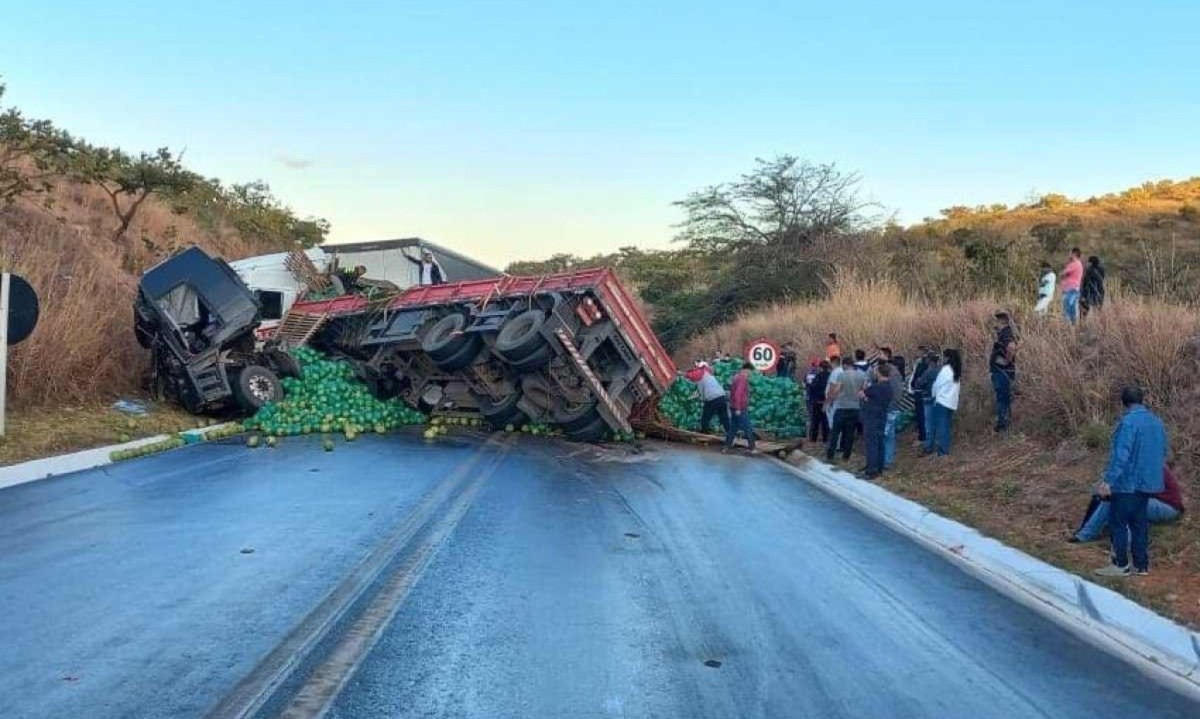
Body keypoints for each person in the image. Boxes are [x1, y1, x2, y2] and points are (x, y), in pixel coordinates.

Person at [1093, 386, 1168, 578]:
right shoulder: (1157, 422)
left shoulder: (1127, 423)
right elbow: (1163, 451)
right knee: (1139, 524)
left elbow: (1121, 456)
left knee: (1118, 522)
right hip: (1148, 482)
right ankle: (1141, 565)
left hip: (1128, 483)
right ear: (1142, 400)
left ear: (1124, 402)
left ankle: (1121, 564)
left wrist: (1108, 481)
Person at [1070, 465, 1184, 543]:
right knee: (1107, 499)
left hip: (1168, 506)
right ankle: (1084, 534)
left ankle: (1125, 545)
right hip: (1152, 502)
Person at [826, 356, 866, 462]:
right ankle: (846, 456)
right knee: (849, 433)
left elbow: (837, 389)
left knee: (835, 432)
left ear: (845, 365)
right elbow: (863, 390)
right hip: (855, 407)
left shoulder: (842, 375)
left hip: (841, 407)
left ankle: (830, 454)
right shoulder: (861, 375)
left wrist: (831, 400)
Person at [859, 362, 895, 479]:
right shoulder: (889, 388)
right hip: (882, 416)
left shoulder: (876, 387)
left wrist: (864, 396)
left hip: (872, 417)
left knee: (871, 444)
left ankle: (871, 470)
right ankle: (879, 467)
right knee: (880, 442)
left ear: (879, 373)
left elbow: (863, 393)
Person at [924, 348, 961, 456]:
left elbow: (937, 384)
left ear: (947, 358)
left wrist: (934, 394)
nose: (942, 359)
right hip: (951, 402)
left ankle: (943, 451)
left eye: (944, 356)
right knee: (946, 426)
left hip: (942, 402)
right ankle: (944, 448)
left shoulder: (946, 370)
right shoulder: (956, 370)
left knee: (942, 427)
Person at [684, 361, 730, 438]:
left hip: (712, 399)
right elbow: (700, 391)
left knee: (705, 417)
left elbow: (692, 378)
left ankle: (704, 434)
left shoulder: (699, 374)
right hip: (721, 396)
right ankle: (729, 433)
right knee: (724, 417)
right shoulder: (708, 375)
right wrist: (692, 397)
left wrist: (683, 375)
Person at [989, 311, 1018, 432]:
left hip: (1002, 372)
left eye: (997, 321)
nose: (995, 324)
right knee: (1003, 397)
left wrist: (1006, 361)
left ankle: (1003, 424)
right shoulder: (1003, 334)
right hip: (1001, 371)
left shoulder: (1007, 334)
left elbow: (1011, 347)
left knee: (1003, 398)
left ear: (1002, 321)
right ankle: (1004, 423)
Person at [725, 361, 756, 452]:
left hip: (733, 406)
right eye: (750, 372)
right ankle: (752, 448)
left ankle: (726, 446)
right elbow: (738, 394)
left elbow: (733, 393)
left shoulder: (736, 377)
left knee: (733, 428)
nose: (750, 374)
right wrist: (738, 408)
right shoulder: (742, 379)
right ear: (747, 370)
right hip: (740, 407)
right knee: (748, 427)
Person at [914, 350, 941, 448]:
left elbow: (919, 384)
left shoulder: (928, 372)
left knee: (928, 424)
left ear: (929, 360)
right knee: (937, 422)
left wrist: (917, 380)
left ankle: (928, 446)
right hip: (939, 398)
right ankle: (938, 443)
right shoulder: (940, 370)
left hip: (928, 398)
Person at [908, 346, 931, 443]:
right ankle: (923, 436)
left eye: (918, 351)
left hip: (920, 392)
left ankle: (923, 437)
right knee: (921, 415)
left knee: (921, 416)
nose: (916, 353)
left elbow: (918, 377)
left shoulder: (923, 364)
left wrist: (914, 385)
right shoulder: (919, 362)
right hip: (918, 391)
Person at [807, 360, 831, 443]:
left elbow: (812, 387)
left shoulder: (818, 376)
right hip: (827, 401)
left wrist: (811, 398)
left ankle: (813, 438)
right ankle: (825, 438)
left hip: (817, 401)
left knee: (815, 421)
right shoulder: (830, 376)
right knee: (825, 421)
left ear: (820, 368)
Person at [1061, 247, 1084, 324]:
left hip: (1070, 288)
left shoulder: (1073, 264)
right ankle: (1074, 326)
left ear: (1074, 254)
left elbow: (1062, 273)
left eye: (1070, 253)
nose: (1069, 255)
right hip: (1075, 288)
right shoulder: (1079, 264)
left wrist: (1067, 263)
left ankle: (1068, 327)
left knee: (1067, 309)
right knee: (1073, 308)